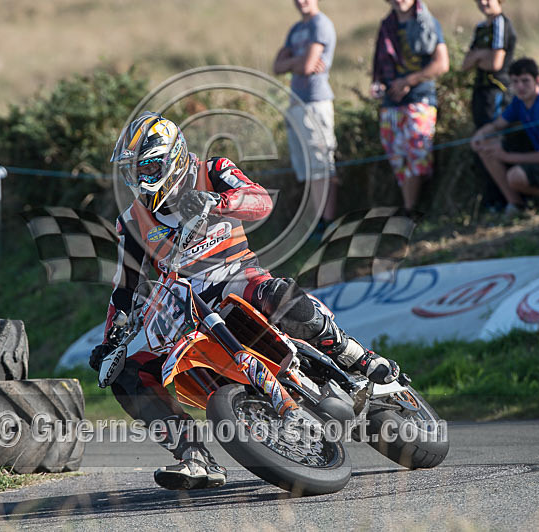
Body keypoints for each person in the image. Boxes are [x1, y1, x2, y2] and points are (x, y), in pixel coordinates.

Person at [90, 112, 400, 490]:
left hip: (238, 276)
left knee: (277, 294)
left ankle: (353, 353)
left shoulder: (214, 168)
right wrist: (110, 340)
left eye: (150, 166)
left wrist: (217, 202)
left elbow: (260, 201)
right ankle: (193, 456)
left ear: (173, 157)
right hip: (187, 306)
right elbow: (125, 288)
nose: (142, 179)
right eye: (135, 171)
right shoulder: (132, 220)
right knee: (128, 375)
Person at [471, 57, 539, 214]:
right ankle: (516, 205)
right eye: (515, 82)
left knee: (514, 176)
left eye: (525, 81)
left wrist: (507, 157)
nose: (520, 87)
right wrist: (480, 135)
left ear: (537, 80)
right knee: (487, 148)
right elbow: (498, 124)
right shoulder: (519, 102)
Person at [371, 0, 449, 210]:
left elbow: (442, 63)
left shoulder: (428, 22)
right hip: (391, 102)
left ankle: (411, 209)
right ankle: (410, 207)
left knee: (417, 152)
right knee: (398, 158)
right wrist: (378, 84)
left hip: (419, 98)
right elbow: (379, 66)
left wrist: (409, 81)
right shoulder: (387, 26)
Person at [273, 0, 338, 236]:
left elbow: (309, 65)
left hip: (315, 103)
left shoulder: (321, 24)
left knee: (322, 165)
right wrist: (295, 64)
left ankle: (328, 221)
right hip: (297, 103)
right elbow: (277, 66)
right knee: (309, 169)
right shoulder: (296, 29)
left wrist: (296, 63)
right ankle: (317, 219)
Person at [461, 0, 517, 213]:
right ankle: (493, 199)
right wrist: (478, 56)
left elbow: (494, 63)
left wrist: (478, 56)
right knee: (482, 143)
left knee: (492, 143)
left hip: (496, 92)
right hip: (480, 93)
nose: (483, 2)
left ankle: (506, 199)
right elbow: (466, 64)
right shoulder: (481, 27)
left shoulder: (500, 24)